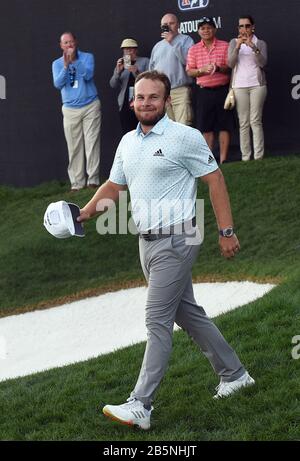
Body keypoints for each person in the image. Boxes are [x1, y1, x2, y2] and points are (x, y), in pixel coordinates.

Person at [77, 71, 255, 430]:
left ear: (167, 101)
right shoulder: (128, 143)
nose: (146, 103)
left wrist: (226, 231)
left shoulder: (183, 137)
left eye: (153, 97)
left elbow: (215, 179)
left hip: (178, 238)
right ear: (133, 102)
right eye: (140, 97)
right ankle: (235, 375)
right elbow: (113, 187)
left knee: (156, 320)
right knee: (186, 313)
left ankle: (141, 404)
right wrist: (83, 213)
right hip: (146, 242)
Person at [52, 32, 101, 191]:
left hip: (90, 106)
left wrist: (75, 61)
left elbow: (88, 76)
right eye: (65, 43)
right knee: (74, 147)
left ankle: (93, 180)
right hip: (70, 109)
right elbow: (58, 84)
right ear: (61, 46)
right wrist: (66, 66)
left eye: (71, 42)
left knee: (92, 143)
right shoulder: (57, 63)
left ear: (76, 42)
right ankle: (77, 183)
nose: (69, 45)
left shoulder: (87, 57)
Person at [186, 17, 233, 164]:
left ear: (215, 29)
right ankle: (209, 161)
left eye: (209, 27)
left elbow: (229, 67)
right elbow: (189, 71)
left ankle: (223, 160)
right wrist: (201, 70)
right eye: (203, 28)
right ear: (198, 31)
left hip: (222, 90)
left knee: (224, 125)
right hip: (204, 91)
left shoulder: (225, 46)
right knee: (206, 127)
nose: (206, 30)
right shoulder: (193, 49)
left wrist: (218, 68)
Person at [228, 15, 267, 161]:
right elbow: (230, 64)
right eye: (241, 26)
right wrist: (238, 47)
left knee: (255, 121)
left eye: (247, 26)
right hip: (239, 86)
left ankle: (258, 157)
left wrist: (253, 47)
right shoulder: (233, 42)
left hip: (257, 85)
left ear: (253, 27)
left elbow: (263, 63)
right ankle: (245, 157)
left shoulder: (260, 43)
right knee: (243, 122)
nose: (244, 29)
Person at [149, 13, 194, 126]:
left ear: (178, 25)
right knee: (167, 129)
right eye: (165, 24)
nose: (168, 26)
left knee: (183, 126)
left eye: (171, 23)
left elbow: (188, 62)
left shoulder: (186, 40)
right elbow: (152, 71)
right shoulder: (157, 46)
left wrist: (172, 41)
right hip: (162, 93)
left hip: (180, 90)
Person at [110, 38, 149, 134]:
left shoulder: (145, 61)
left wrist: (137, 72)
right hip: (125, 104)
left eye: (130, 49)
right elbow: (112, 84)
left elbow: (149, 81)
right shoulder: (121, 64)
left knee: (142, 130)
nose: (127, 52)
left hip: (140, 102)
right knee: (127, 132)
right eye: (125, 50)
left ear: (135, 50)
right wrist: (118, 72)